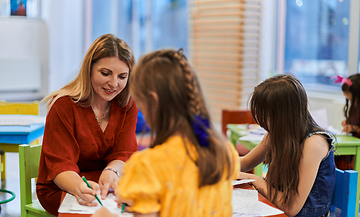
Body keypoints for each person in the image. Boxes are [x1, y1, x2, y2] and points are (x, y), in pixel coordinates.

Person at [92, 49, 240, 217]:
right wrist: (144, 198)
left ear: (153, 101)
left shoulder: (148, 165)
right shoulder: (225, 152)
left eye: (141, 104)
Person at [36, 34, 138, 215]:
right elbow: (60, 166)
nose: (114, 84)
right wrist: (78, 187)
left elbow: (125, 153)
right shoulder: (63, 106)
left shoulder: (127, 104)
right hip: (63, 185)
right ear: (89, 70)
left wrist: (112, 171)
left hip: (107, 183)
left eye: (122, 76)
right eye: (105, 73)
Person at [239, 74, 335, 217]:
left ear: (283, 115)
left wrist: (256, 180)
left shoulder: (314, 143)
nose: (259, 120)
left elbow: (292, 208)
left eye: (264, 114)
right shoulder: (277, 132)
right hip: (276, 207)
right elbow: (245, 162)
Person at [333, 74, 360, 170]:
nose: (351, 103)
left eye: (352, 100)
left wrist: (354, 128)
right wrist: (349, 123)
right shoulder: (355, 109)